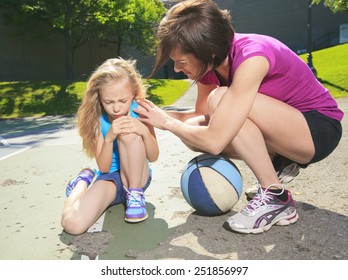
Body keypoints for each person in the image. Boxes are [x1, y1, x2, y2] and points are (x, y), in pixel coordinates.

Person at [135, 0, 344, 234]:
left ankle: (275, 196)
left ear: (208, 52)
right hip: (286, 128)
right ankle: (281, 161)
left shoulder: (253, 55)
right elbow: (200, 116)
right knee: (196, 127)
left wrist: (166, 123)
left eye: (180, 62)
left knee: (220, 100)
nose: (175, 69)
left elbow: (215, 139)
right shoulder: (209, 65)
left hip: (318, 129)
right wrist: (150, 114)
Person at [61, 58, 159, 235]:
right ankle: (82, 182)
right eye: (108, 102)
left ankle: (135, 195)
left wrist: (143, 131)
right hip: (111, 179)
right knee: (72, 224)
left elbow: (153, 157)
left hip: (138, 175)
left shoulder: (140, 111)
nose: (116, 108)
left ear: (133, 92)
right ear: (100, 98)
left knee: (128, 132)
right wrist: (109, 137)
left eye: (122, 100)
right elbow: (104, 167)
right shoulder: (100, 121)